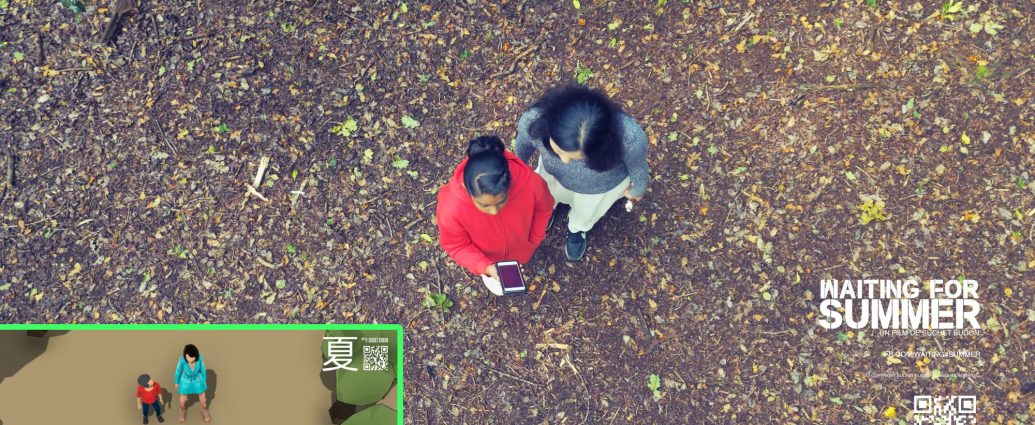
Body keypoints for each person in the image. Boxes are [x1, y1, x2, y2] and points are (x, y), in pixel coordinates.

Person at [515, 84, 649, 261]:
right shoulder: (534, 119)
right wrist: (517, 170)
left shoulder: (630, 138)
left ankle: (577, 229)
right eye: (559, 150)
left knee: (586, 213)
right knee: (546, 198)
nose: (564, 161)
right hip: (551, 176)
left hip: (598, 189)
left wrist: (638, 189)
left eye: (575, 157)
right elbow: (522, 147)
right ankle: (547, 213)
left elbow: (638, 166)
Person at [436, 135, 554, 295]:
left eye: (501, 201)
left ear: (509, 183)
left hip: (523, 249)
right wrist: (484, 266)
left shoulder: (530, 182)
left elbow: (544, 208)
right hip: (486, 259)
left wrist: (534, 238)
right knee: (499, 287)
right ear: (466, 188)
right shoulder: (451, 207)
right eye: (484, 205)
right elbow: (456, 246)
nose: (494, 211)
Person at [174, 344, 210, 423]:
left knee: (203, 400)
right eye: (187, 357)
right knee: (182, 401)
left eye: (191, 357)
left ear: (196, 356)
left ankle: (204, 410)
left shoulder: (200, 358)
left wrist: (204, 380)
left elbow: (203, 369)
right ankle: (182, 410)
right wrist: (176, 382)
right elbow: (178, 371)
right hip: (185, 380)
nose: (189, 359)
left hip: (197, 379)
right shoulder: (182, 359)